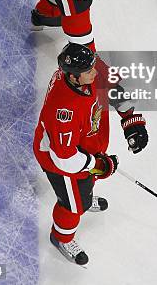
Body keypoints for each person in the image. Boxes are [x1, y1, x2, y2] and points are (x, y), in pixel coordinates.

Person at [34, 43, 148, 264]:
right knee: (73, 205)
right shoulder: (62, 110)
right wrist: (100, 165)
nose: (96, 72)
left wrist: (131, 122)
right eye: (89, 71)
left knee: (86, 184)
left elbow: (113, 87)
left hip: (85, 145)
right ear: (73, 77)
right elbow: (65, 158)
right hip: (59, 161)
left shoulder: (87, 68)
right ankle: (61, 237)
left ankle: (84, 196)